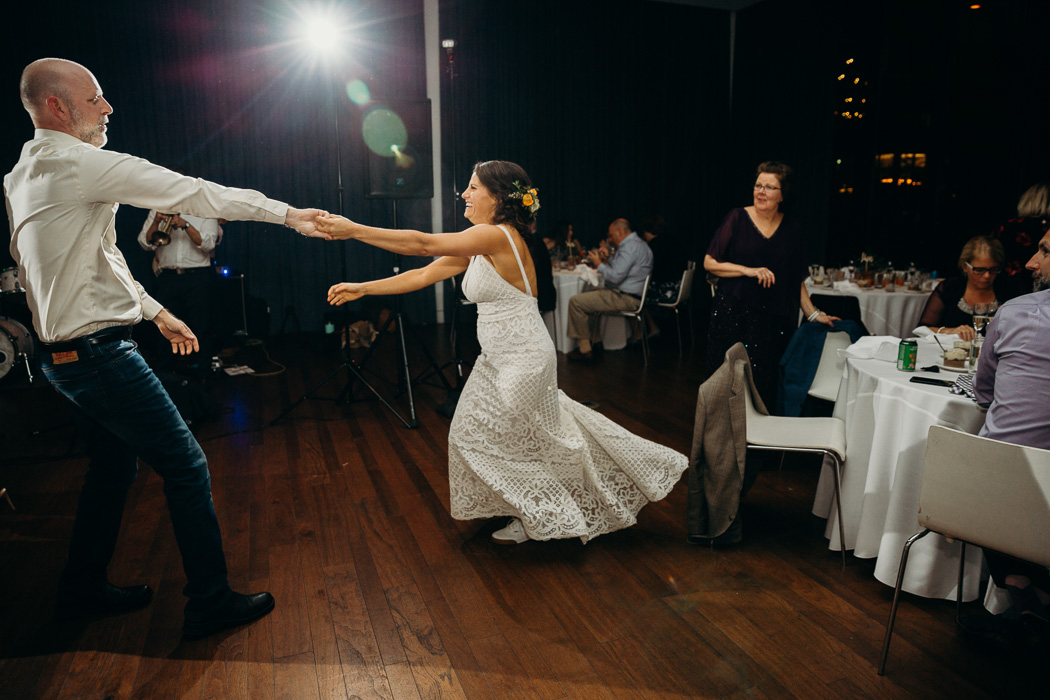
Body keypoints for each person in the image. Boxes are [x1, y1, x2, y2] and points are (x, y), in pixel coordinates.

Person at [4, 58, 326, 638]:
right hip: (99, 355)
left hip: (63, 360)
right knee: (185, 465)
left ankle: (81, 590)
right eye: (96, 98)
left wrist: (157, 313)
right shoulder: (80, 164)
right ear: (58, 107)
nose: (107, 108)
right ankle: (208, 601)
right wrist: (289, 215)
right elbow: (196, 192)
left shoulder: (21, 174)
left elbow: (94, 257)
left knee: (111, 468)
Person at [319, 160, 687, 545]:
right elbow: (425, 273)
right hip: (497, 359)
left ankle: (542, 515)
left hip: (524, 360)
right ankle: (536, 511)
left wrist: (353, 230)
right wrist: (365, 287)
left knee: (505, 441)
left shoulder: (497, 237)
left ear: (496, 198)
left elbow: (422, 242)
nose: (465, 194)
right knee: (491, 437)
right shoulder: (482, 241)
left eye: (473, 188)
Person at [964, 228, 1050, 642]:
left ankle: (1021, 590)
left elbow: (983, 393)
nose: (1031, 262)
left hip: (1001, 485)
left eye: (1045, 251)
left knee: (991, 471)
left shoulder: (1017, 311)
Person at [704, 161, 834, 409]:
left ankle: (758, 438)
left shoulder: (791, 227)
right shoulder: (737, 218)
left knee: (764, 380)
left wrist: (814, 314)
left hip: (773, 319)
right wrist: (748, 271)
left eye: (769, 187)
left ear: (782, 195)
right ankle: (720, 434)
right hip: (734, 314)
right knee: (727, 378)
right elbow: (709, 263)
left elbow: (796, 278)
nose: (761, 191)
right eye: (758, 185)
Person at [138, 210, 223, 372]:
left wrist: (186, 224)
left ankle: (203, 372)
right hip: (168, 278)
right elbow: (144, 243)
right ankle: (166, 374)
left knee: (201, 326)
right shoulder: (158, 209)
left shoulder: (205, 211)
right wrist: (156, 222)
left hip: (197, 277)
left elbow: (209, 244)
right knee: (165, 326)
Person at [565, 218, 653, 361]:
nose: (610, 238)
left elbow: (615, 277)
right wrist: (609, 259)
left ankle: (585, 350)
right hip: (631, 295)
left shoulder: (630, 246)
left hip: (625, 297)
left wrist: (599, 263)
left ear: (620, 232)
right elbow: (623, 268)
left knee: (576, 302)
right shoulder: (639, 244)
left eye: (611, 235)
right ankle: (596, 342)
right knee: (588, 298)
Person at [918, 235, 1016, 341]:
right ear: (965, 267)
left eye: (993, 269)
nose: (987, 275)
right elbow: (923, 329)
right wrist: (949, 331)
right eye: (979, 270)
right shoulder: (950, 288)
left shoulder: (1009, 290)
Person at [992, 181, 1050, 296]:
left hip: (1008, 288)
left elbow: (992, 257)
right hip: (1040, 291)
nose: (1029, 264)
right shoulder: (1046, 227)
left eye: (1046, 251)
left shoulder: (1007, 226)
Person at [641, 215, 688, 304]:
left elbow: (654, 271)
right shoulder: (673, 240)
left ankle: (646, 317)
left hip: (667, 290)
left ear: (647, 231)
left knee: (634, 293)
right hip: (680, 288)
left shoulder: (654, 246)